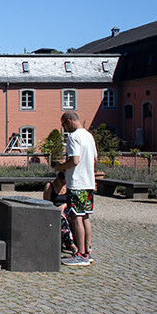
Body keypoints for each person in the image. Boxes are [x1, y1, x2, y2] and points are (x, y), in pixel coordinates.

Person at [53, 111, 98, 266]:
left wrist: (61, 167)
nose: (64, 128)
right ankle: (87, 251)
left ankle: (80, 254)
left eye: (63, 125)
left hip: (77, 184)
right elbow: (94, 159)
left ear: (69, 121)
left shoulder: (73, 137)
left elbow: (75, 161)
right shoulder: (89, 136)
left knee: (76, 218)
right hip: (89, 183)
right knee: (85, 216)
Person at [43, 171, 75, 254]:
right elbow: (46, 204)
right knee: (61, 219)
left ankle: (76, 241)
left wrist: (64, 206)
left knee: (74, 218)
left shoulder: (68, 186)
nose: (62, 185)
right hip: (53, 211)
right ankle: (71, 244)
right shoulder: (50, 186)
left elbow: (72, 201)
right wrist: (57, 210)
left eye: (64, 183)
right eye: (61, 182)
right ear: (57, 178)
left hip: (65, 209)